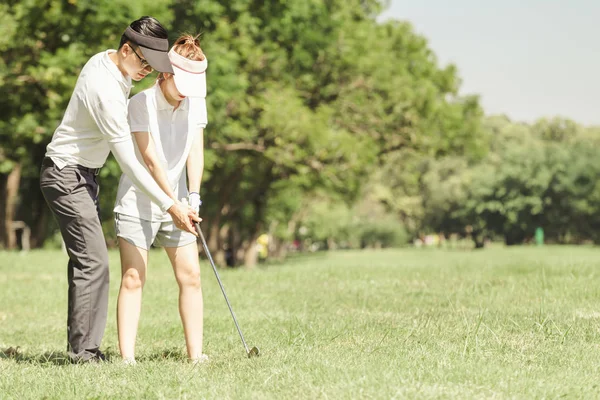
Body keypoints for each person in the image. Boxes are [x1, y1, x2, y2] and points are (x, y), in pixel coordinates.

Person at [40, 17, 200, 363]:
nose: (147, 71)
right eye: (143, 62)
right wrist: (171, 204)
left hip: (85, 176)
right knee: (95, 261)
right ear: (126, 50)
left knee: (87, 261)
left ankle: (79, 348)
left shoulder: (114, 61)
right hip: (66, 175)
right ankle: (84, 354)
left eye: (153, 65)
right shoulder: (104, 89)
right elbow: (130, 162)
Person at [113, 34, 209, 364]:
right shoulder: (140, 104)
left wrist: (193, 196)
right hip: (138, 201)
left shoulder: (195, 100)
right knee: (133, 277)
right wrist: (174, 204)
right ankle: (127, 360)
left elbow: (195, 149)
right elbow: (152, 160)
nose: (186, 93)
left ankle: (196, 356)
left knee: (191, 277)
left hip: (181, 202)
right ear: (165, 74)